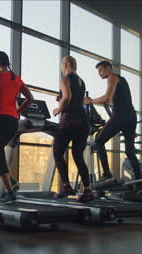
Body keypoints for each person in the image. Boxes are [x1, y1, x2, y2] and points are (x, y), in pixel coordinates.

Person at [0, 51, 34, 204]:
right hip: (12, 122)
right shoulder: (16, 78)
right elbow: (30, 98)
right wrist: (17, 112)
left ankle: (11, 192)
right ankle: (11, 180)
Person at [84, 61, 142, 181]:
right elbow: (111, 100)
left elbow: (106, 97)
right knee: (129, 151)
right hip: (131, 117)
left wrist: (89, 101)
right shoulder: (122, 79)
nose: (99, 74)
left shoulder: (112, 77)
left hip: (121, 116)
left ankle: (106, 174)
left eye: (100, 70)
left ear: (108, 69)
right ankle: (139, 181)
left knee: (98, 140)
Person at [52, 56, 94, 202]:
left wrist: (58, 109)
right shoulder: (81, 81)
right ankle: (88, 190)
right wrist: (63, 98)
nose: (62, 68)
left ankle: (66, 186)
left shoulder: (65, 79)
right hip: (83, 122)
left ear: (67, 64)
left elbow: (68, 97)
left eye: (62, 64)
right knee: (77, 155)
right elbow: (77, 99)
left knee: (57, 152)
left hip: (70, 121)